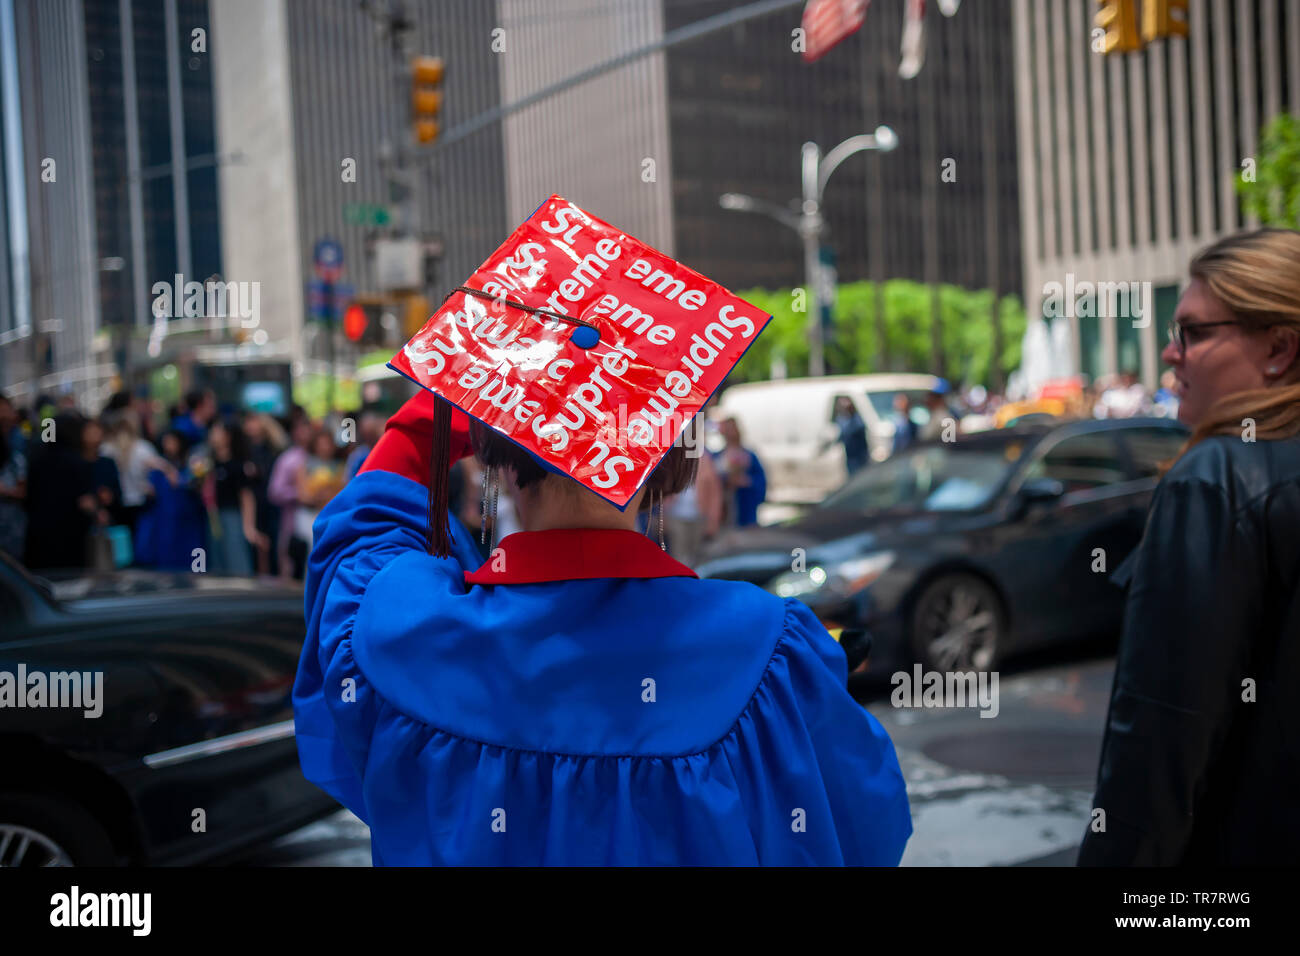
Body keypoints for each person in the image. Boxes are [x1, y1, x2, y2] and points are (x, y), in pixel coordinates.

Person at [1078, 228, 1300, 866]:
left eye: (1194, 334)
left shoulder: (1217, 479)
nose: (1171, 356)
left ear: (1280, 348)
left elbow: (1159, 737)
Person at [204, 419, 265, 575]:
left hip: (233, 517)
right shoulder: (211, 464)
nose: (213, 435)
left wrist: (248, 527)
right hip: (214, 517)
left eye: (217, 431)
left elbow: (247, 497)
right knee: (217, 560)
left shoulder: (237, 466)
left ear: (228, 436)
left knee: (235, 559)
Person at [716, 416, 766, 528]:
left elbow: (761, 482)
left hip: (746, 512)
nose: (730, 433)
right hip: (725, 514)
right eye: (726, 429)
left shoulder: (750, 456)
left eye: (732, 429)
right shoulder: (718, 457)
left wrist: (747, 481)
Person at [827, 396, 869, 475]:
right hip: (849, 456)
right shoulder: (842, 420)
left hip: (860, 456)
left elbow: (855, 430)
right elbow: (841, 436)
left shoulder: (857, 419)